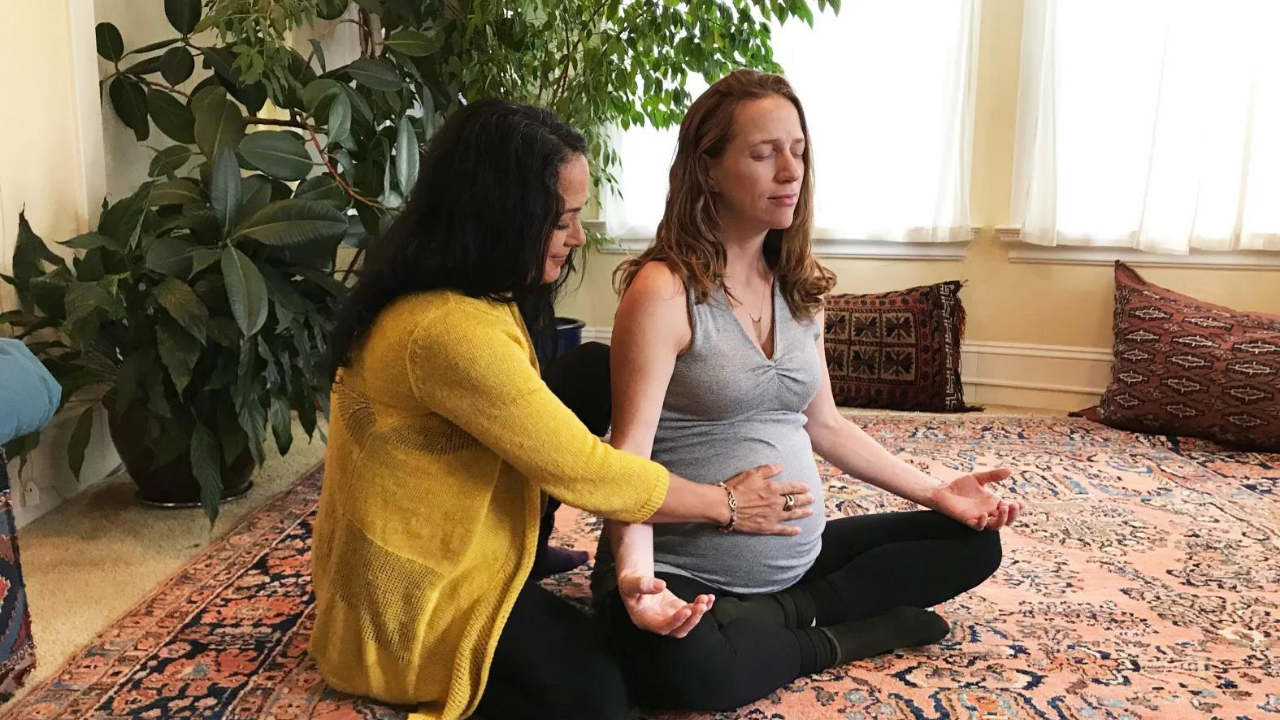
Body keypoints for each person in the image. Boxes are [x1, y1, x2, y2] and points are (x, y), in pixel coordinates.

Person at [308, 98, 816, 720]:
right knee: (604, 697)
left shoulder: (470, 294)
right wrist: (727, 505)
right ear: (499, 216)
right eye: (561, 220)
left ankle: (526, 550)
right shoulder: (445, 331)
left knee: (591, 369)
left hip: (461, 539)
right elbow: (588, 473)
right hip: (411, 601)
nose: (577, 237)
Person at [590, 70, 1027, 712]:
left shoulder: (797, 288)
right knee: (688, 673)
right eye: (764, 153)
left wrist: (937, 491)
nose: (790, 170)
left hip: (801, 560)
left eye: (798, 151)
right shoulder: (664, 291)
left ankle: (783, 616)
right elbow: (627, 456)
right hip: (684, 563)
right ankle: (845, 637)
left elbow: (826, 426)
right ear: (707, 169)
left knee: (973, 541)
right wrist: (635, 579)